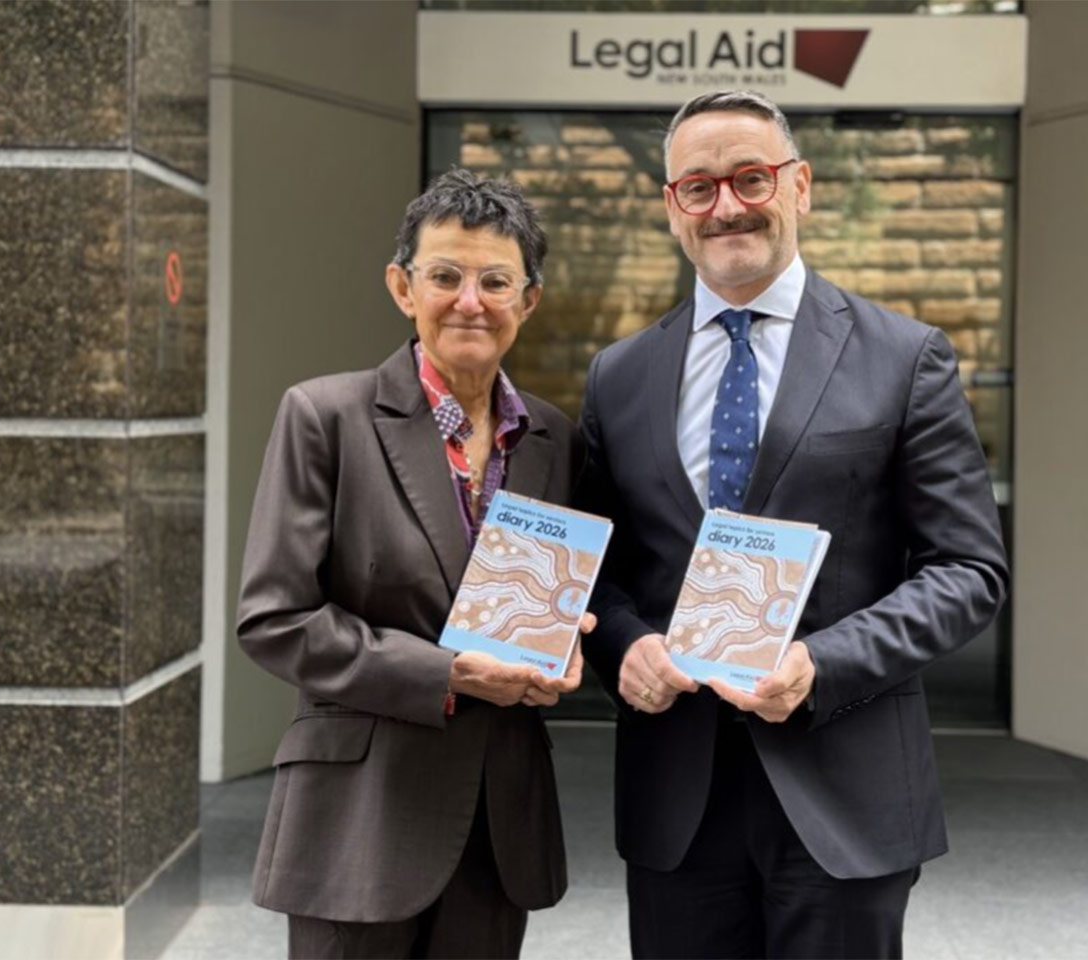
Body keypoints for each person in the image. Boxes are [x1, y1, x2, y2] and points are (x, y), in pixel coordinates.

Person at [575, 90, 1009, 959]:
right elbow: (600, 569)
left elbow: (968, 571)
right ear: (671, 208)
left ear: (800, 186)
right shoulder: (618, 377)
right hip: (677, 798)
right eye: (697, 187)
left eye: (750, 178)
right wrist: (625, 646)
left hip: (845, 788)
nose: (726, 205)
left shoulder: (904, 357)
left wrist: (820, 663)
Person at [238, 169, 592, 960]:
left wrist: (568, 645)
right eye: (445, 276)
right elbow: (273, 620)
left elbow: (549, 600)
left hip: (498, 823)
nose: (471, 300)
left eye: (496, 281)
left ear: (527, 301)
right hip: (359, 819)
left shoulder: (552, 440)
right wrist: (449, 673)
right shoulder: (324, 417)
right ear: (403, 287)